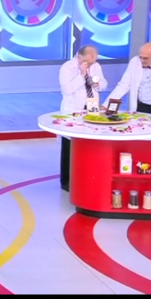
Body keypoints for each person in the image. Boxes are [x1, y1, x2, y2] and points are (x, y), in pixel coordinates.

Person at [57, 45, 107, 192]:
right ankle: (67, 181)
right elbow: (67, 89)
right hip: (73, 108)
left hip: (92, 105)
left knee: (91, 141)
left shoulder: (96, 66)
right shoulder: (67, 68)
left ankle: (88, 176)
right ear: (79, 57)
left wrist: (97, 84)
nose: (91, 65)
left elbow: (103, 84)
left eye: (93, 62)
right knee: (70, 145)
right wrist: (81, 75)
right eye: (88, 62)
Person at [105, 42, 151, 123]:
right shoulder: (134, 62)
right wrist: (106, 105)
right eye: (140, 57)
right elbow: (123, 85)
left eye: (146, 58)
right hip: (139, 106)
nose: (142, 61)